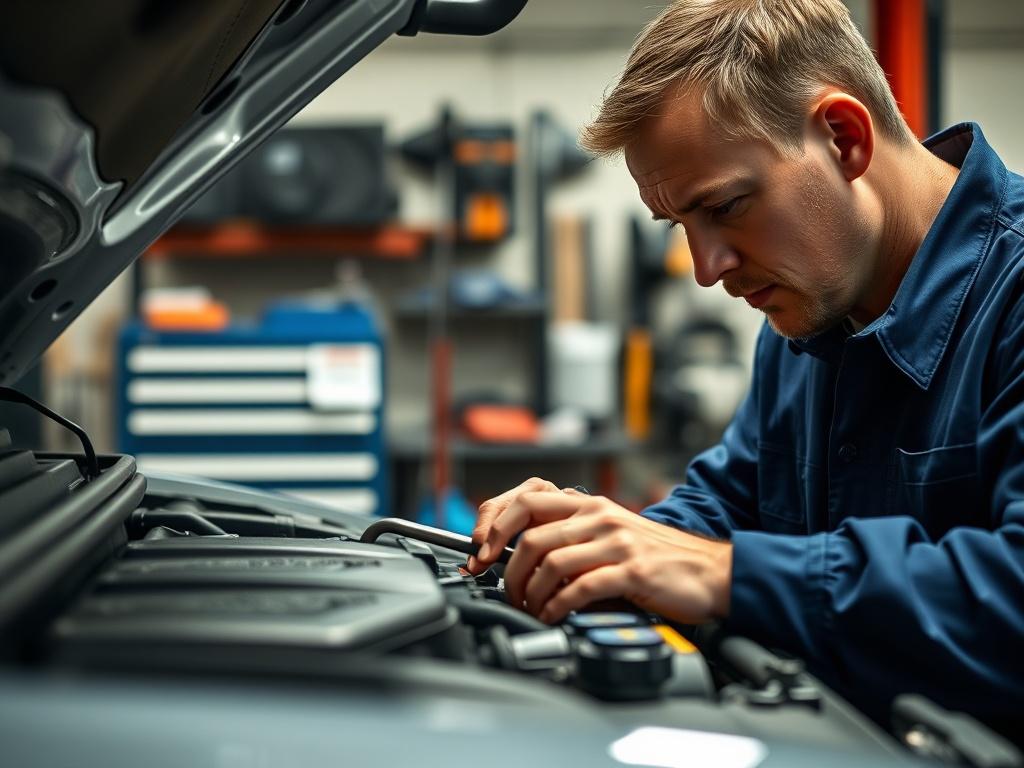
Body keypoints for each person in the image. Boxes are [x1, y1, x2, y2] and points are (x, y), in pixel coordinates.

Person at [467, 0, 1024, 739]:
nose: (707, 269)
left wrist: (720, 573)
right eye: (681, 227)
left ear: (844, 137)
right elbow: (730, 502)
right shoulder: (809, 309)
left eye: (727, 206)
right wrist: (603, 544)